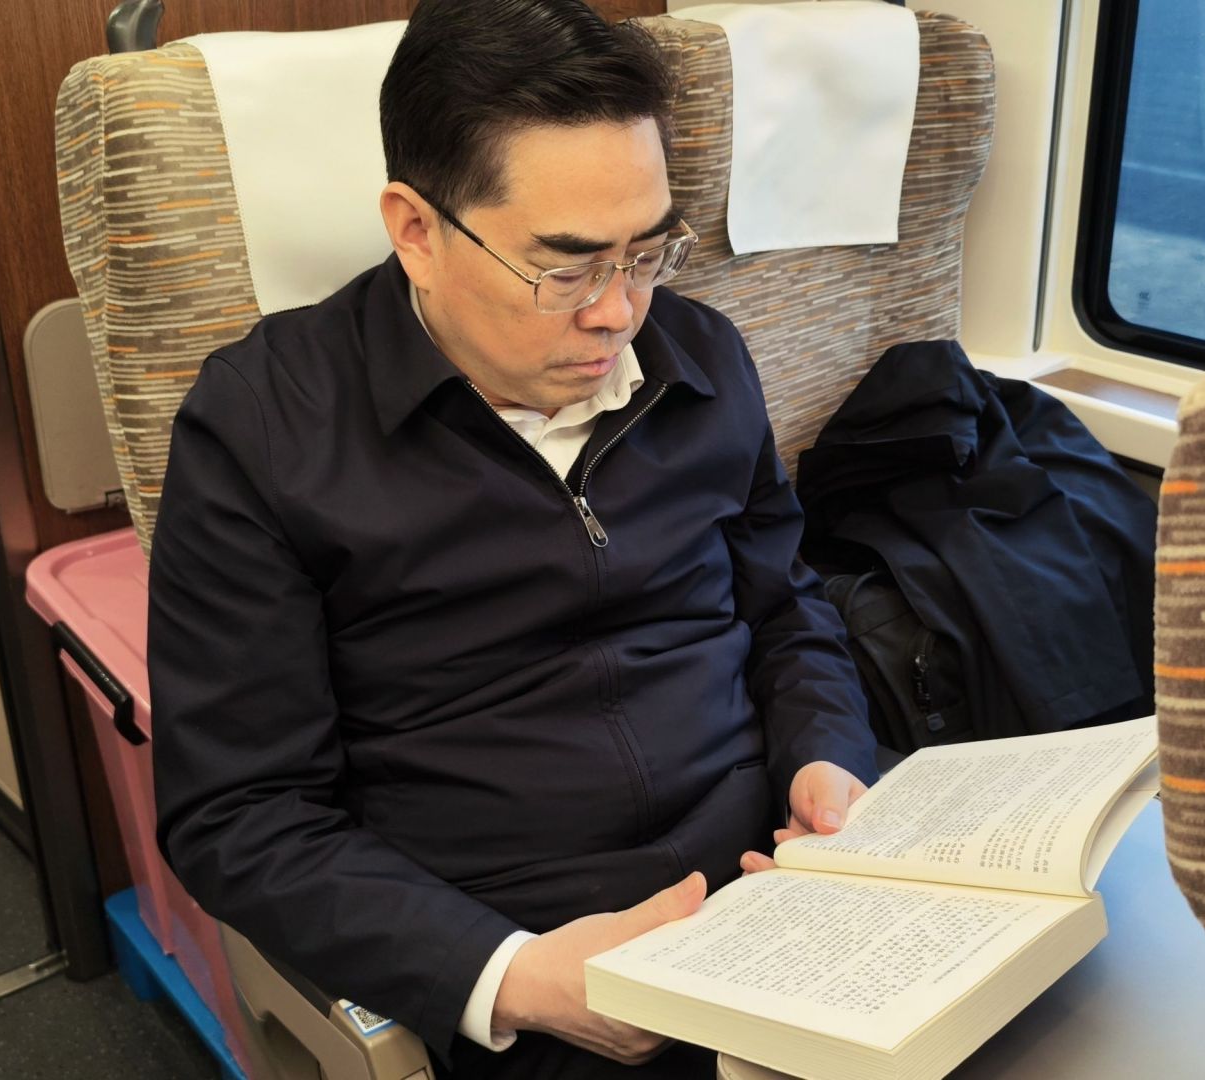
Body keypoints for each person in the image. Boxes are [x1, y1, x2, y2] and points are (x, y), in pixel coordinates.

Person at [148, 1, 879, 1076]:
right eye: (567, 268)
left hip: (774, 882)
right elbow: (239, 812)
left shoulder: (702, 357)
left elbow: (785, 605)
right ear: (416, 231)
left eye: (648, 252)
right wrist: (513, 979)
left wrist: (826, 757)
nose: (618, 313)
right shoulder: (263, 429)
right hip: (527, 952)